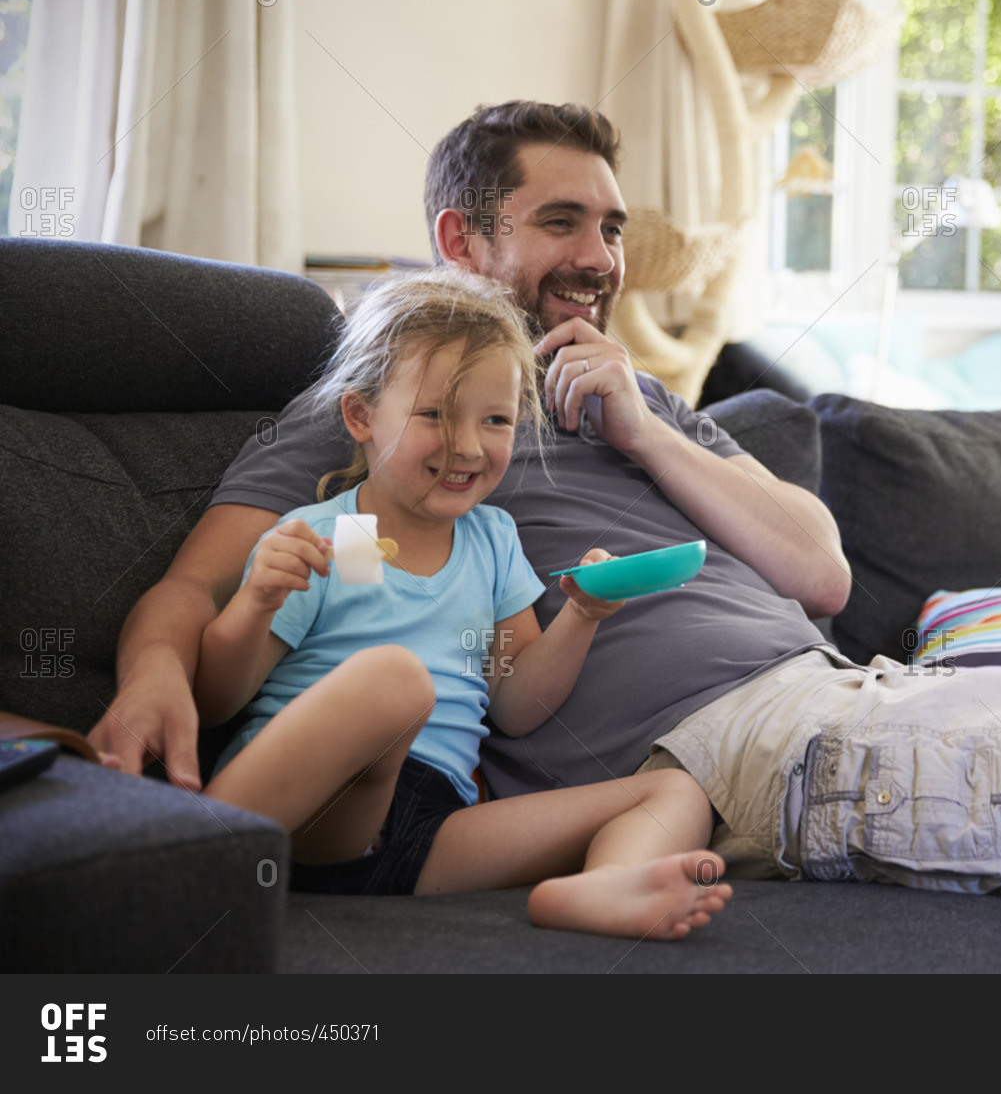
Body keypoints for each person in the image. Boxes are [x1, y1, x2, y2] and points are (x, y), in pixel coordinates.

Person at [92, 101, 1001, 969]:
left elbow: (822, 571)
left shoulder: (641, 396)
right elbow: (196, 586)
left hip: (849, 687)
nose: (600, 255)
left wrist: (645, 423)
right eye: (561, 221)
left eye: (616, 226)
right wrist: (161, 675)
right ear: (463, 241)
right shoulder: (387, 411)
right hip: (736, 749)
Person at [195, 267, 731, 940]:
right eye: (435, 415)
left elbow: (515, 704)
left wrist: (582, 616)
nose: (469, 446)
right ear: (360, 415)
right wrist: (254, 601)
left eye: (496, 420)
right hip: (310, 810)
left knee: (678, 786)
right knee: (393, 680)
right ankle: (186, 863)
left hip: (429, 834)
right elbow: (216, 700)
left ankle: (598, 891)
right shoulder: (330, 536)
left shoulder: (492, 540)